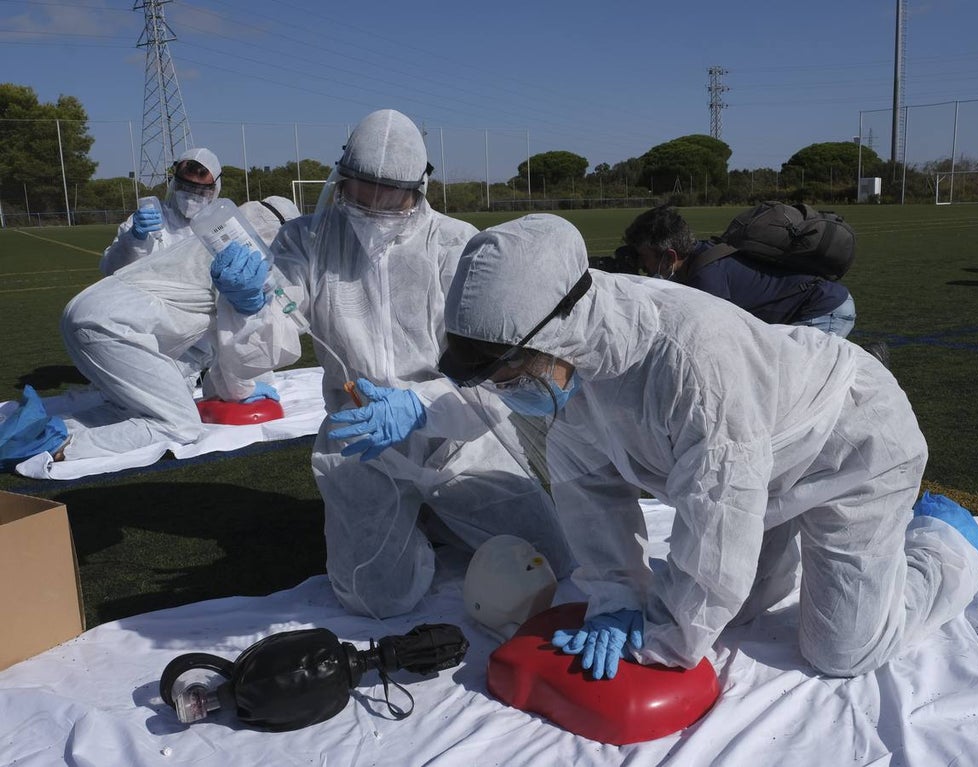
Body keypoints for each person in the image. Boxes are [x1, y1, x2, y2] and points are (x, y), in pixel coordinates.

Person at [438, 214, 978, 681]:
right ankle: (803, 537)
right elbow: (588, 489)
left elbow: (720, 512)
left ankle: (949, 541)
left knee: (842, 651)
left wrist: (661, 642)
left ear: (556, 334)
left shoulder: (691, 360)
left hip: (852, 445)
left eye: (509, 371)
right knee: (740, 607)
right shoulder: (577, 359)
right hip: (766, 459)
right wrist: (616, 600)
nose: (506, 388)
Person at [209, 109, 573, 620]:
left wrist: (419, 405)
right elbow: (264, 350)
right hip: (361, 440)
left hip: (457, 434)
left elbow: (493, 377)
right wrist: (247, 306)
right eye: (361, 190)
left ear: (419, 190)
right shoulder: (306, 241)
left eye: (390, 195)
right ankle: (413, 520)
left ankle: (436, 513)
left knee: (554, 563)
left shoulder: (457, 246)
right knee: (374, 598)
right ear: (341, 179)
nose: (373, 207)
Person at [0, 197, 300, 470]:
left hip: (90, 313)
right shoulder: (242, 264)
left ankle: (36, 428)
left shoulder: (202, 244)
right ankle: (55, 446)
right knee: (181, 425)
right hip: (113, 327)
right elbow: (232, 343)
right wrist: (245, 389)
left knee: (129, 410)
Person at [618, 204, 857, 337]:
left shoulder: (706, 277)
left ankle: (867, 361)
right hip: (812, 306)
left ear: (670, 256)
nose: (642, 266)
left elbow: (714, 338)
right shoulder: (701, 256)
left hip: (824, 309)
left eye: (644, 258)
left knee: (793, 385)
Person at [101, 147, 224, 276]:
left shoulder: (222, 224)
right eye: (184, 187)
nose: (190, 198)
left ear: (214, 190)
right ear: (174, 183)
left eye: (200, 191)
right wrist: (134, 240)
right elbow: (110, 269)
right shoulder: (149, 219)